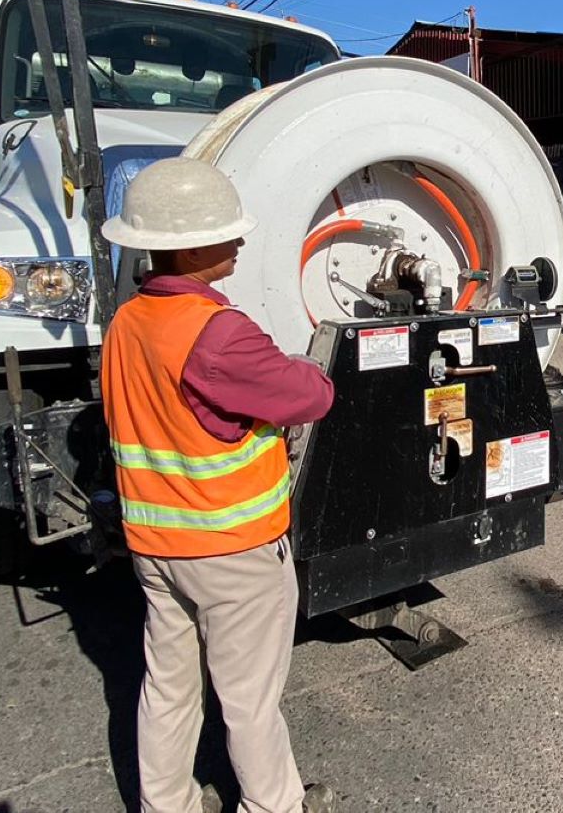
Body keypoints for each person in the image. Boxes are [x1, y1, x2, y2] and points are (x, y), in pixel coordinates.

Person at [100, 157, 337, 813]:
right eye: (226, 231)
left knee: (168, 689)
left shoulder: (127, 324)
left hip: (155, 547)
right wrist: (291, 363)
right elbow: (311, 395)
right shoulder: (217, 334)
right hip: (232, 552)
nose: (239, 239)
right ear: (190, 244)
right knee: (251, 703)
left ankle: (165, 805)